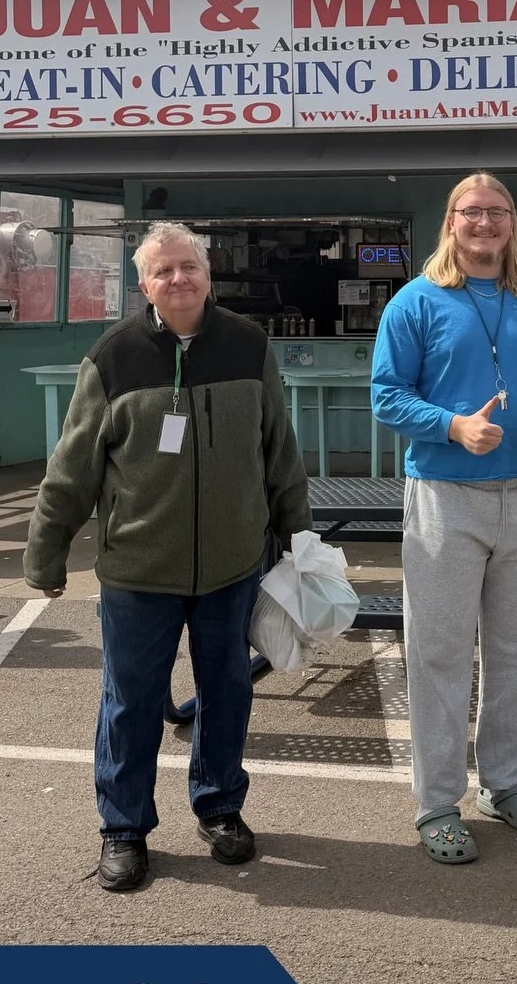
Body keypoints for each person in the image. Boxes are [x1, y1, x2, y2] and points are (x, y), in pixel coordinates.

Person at [24, 223, 310, 892]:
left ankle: (219, 805)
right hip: (137, 570)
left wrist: (300, 539)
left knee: (227, 692)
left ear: (208, 274)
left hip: (232, 565)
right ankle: (122, 826)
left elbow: (281, 450)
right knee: (131, 702)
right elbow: (72, 467)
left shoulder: (248, 344)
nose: (179, 279)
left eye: (189, 267)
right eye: (163, 271)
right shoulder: (113, 357)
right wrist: (46, 553)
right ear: (144, 283)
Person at [371, 172, 517, 864]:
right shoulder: (415, 302)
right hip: (445, 498)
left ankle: (506, 784)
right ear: (451, 221)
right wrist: (451, 426)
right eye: (472, 212)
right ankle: (437, 802)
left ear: (512, 222)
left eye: (497, 212)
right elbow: (385, 394)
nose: (485, 222)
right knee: (438, 654)